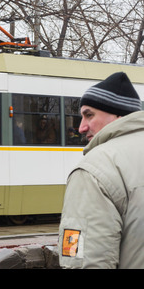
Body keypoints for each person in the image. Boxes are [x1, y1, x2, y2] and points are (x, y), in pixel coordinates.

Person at [58, 71, 144, 268]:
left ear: (118, 114)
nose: (81, 127)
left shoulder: (94, 168)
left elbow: (81, 259)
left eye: (89, 115)